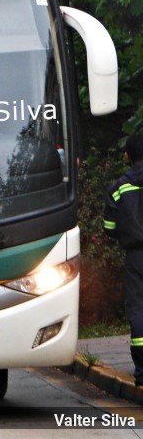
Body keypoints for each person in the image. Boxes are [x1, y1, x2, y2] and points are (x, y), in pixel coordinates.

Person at [103, 132, 143, 386]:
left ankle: (142, 372)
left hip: (136, 256)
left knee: (138, 309)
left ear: (127, 156)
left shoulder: (118, 188)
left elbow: (109, 226)